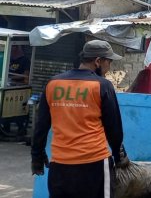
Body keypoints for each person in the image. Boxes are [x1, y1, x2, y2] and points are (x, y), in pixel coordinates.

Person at [31, 40, 129, 198]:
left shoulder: (53, 83)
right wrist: (119, 157)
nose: (109, 68)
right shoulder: (102, 86)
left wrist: (37, 156)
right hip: (94, 165)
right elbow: (114, 129)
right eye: (108, 62)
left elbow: (41, 126)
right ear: (98, 61)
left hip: (59, 167)